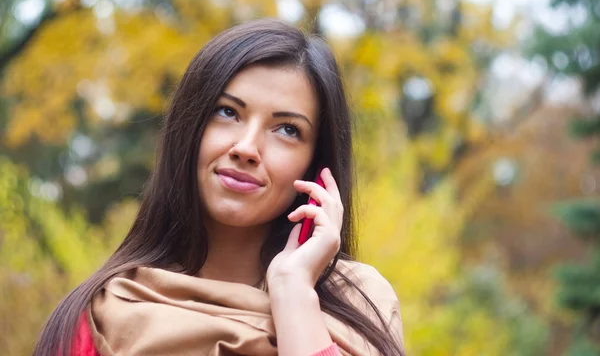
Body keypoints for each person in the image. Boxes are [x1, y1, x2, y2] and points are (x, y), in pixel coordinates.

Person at [33, 19, 405, 356]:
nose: (246, 148)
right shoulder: (101, 317)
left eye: (287, 129)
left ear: (315, 165)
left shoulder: (361, 307)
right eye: (228, 111)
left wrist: (294, 295)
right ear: (189, 128)